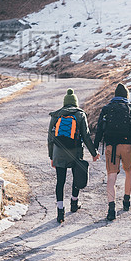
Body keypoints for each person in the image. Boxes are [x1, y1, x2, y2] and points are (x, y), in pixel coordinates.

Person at [93, 82, 131, 221]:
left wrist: (94, 149)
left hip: (111, 147)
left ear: (115, 96)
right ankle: (126, 202)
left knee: (111, 177)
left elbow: (99, 130)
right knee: (129, 172)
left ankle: (111, 209)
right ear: (126, 96)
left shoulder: (107, 108)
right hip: (127, 146)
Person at [48, 88, 98, 223]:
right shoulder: (80, 115)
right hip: (75, 152)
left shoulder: (56, 115)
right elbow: (86, 137)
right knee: (77, 177)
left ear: (65, 103)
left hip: (59, 152)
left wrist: (51, 156)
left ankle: (60, 211)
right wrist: (94, 153)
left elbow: (50, 138)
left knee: (60, 181)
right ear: (75, 103)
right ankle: (74, 204)